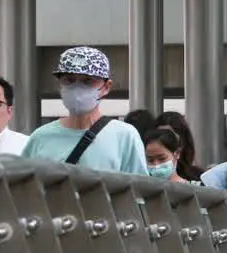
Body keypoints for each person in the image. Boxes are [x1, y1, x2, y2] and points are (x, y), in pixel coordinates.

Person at [22, 46, 146, 175]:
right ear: (60, 84)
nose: (77, 88)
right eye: (69, 80)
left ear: (106, 87)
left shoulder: (125, 136)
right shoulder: (40, 137)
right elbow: (24, 189)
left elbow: (140, 191)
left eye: (88, 81)